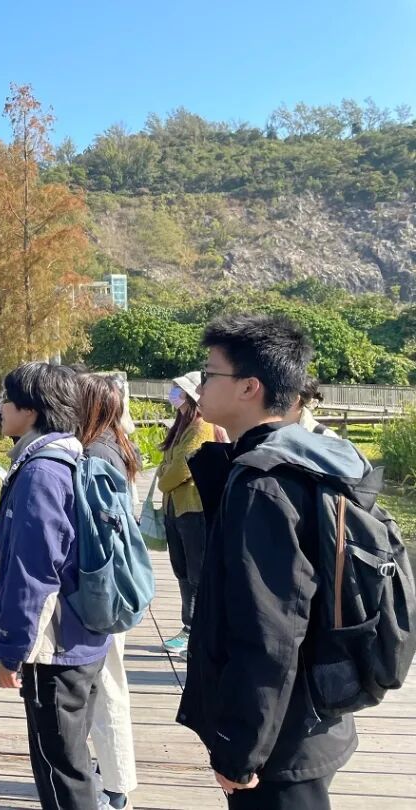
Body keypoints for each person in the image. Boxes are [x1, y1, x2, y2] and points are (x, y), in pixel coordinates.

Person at [178, 313, 361, 809]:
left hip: (281, 739)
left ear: (248, 387)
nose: (200, 385)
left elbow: (270, 631)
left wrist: (241, 747)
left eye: (210, 373)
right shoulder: (301, 458)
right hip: (306, 717)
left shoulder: (264, 484)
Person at [0, 361, 110, 810]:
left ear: (31, 411)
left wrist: (12, 651)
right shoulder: (71, 457)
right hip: (83, 636)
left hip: (53, 648)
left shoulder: (41, 473)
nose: (0, 407)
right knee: (72, 761)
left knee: (60, 769)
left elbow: (34, 573)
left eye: (7, 399)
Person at [76, 374, 141, 810]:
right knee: (107, 682)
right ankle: (110, 775)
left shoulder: (95, 454)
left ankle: (116, 789)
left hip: (106, 590)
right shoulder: (115, 444)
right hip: (118, 585)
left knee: (107, 685)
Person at [155, 371, 220, 655]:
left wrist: (164, 478)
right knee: (181, 569)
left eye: (178, 389)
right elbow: (166, 465)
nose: (173, 394)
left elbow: (181, 468)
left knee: (197, 572)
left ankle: (198, 629)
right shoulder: (183, 425)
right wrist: (166, 474)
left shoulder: (201, 427)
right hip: (175, 508)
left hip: (193, 509)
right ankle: (189, 626)